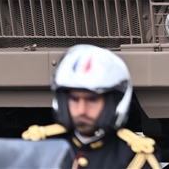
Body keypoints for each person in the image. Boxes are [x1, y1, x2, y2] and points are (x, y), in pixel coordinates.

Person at [23, 44, 160, 168]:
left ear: (111, 103)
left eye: (91, 99)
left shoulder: (134, 158)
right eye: (74, 99)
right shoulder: (40, 148)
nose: (81, 110)